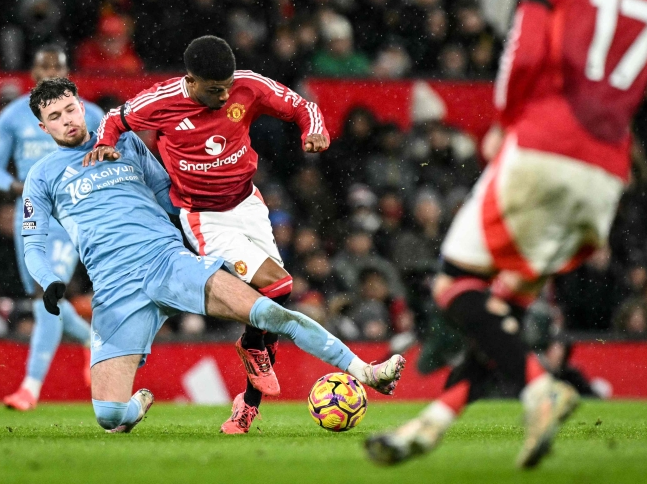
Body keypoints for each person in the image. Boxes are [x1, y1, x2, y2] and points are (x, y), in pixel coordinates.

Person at [366, 0, 647, 469]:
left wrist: (504, 121)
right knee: (501, 307)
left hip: (544, 147)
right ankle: (429, 426)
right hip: (607, 172)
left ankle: (539, 385)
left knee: (454, 285)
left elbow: (525, 51)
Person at [23, 77, 404, 433]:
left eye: (71, 109)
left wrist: (215, 220)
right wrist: (50, 281)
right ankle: (136, 407)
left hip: (166, 262)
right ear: (44, 128)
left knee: (271, 310)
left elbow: (165, 194)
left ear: (81, 106)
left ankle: (366, 372)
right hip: (114, 288)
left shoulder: (125, 144)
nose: (67, 120)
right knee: (108, 417)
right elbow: (33, 243)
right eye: (55, 117)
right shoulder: (41, 176)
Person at [85, 35, 330, 433]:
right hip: (204, 216)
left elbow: (302, 106)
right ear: (191, 81)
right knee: (276, 286)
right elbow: (114, 119)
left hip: (248, 203)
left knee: (280, 296)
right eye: (215, 90)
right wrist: (104, 145)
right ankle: (251, 354)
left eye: (227, 87)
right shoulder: (160, 101)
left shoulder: (247, 85)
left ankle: (247, 403)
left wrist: (313, 131)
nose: (224, 96)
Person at [0, 45, 104, 410]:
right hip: (30, 212)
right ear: (32, 71)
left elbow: (113, 155)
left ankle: (30, 388)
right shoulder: (13, 116)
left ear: (68, 72)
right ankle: (89, 339)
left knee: (44, 294)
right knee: (42, 302)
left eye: (57, 65)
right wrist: (17, 186)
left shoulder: (91, 114)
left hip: (70, 215)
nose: (50, 70)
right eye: (43, 64)